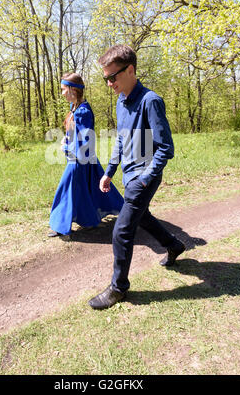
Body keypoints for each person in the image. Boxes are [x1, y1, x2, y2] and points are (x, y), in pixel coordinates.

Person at [88, 45, 185, 310]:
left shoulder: (150, 101)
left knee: (121, 230)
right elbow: (122, 140)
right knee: (143, 217)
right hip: (130, 173)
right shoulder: (121, 101)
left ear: (130, 70)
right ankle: (174, 245)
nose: (109, 83)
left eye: (113, 77)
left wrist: (144, 179)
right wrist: (109, 172)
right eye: (106, 78)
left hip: (144, 176)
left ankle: (118, 288)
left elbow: (166, 148)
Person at [49, 72, 124, 237]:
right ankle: (91, 221)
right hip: (81, 157)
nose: (62, 93)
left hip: (79, 159)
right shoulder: (74, 107)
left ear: (73, 90)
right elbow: (73, 133)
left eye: (63, 89)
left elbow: (85, 139)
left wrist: (68, 150)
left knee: (67, 189)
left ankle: (60, 225)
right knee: (88, 189)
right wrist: (66, 141)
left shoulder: (83, 112)